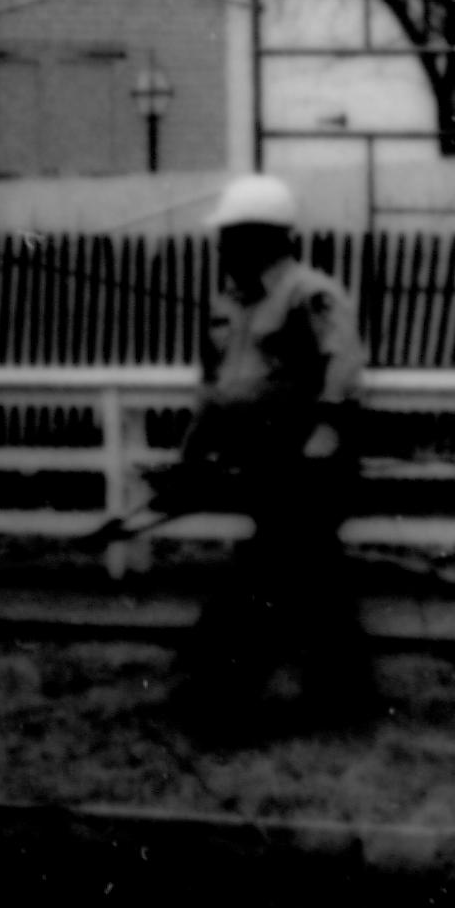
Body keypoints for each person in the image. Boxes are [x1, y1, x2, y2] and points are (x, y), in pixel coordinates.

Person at [159, 174, 377, 739]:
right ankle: (343, 693)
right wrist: (190, 457)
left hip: (309, 462)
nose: (221, 249)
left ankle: (217, 694)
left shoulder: (312, 294)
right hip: (258, 461)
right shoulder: (227, 306)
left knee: (265, 572)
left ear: (264, 238)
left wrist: (325, 432)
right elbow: (215, 389)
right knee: (311, 577)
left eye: (230, 237)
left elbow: (343, 363)